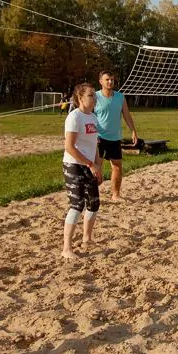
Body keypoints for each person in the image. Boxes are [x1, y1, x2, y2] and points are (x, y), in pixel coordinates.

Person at [62, 83, 103, 260]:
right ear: (80, 98)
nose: (95, 99)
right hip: (74, 164)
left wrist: (98, 165)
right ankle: (66, 248)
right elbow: (69, 147)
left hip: (89, 165)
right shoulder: (74, 117)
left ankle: (87, 238)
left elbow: (94, 145)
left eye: (95, 96)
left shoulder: (93, 117)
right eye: (91, 95)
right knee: (77, 205)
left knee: (94, 203)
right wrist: (89, 164)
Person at [94, 71, 138, 202]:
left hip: (115, 138)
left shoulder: (120, 97)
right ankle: (93, 196)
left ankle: (115, 195)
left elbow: (126, 114)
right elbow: (89, 116)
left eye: (112, 79)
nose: (110, 82)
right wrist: (91, 135)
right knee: (96, 167)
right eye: (107, 79)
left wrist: (133, 130)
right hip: (99, 137)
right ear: (101, 82)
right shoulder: (95, 97)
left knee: (117, 166)